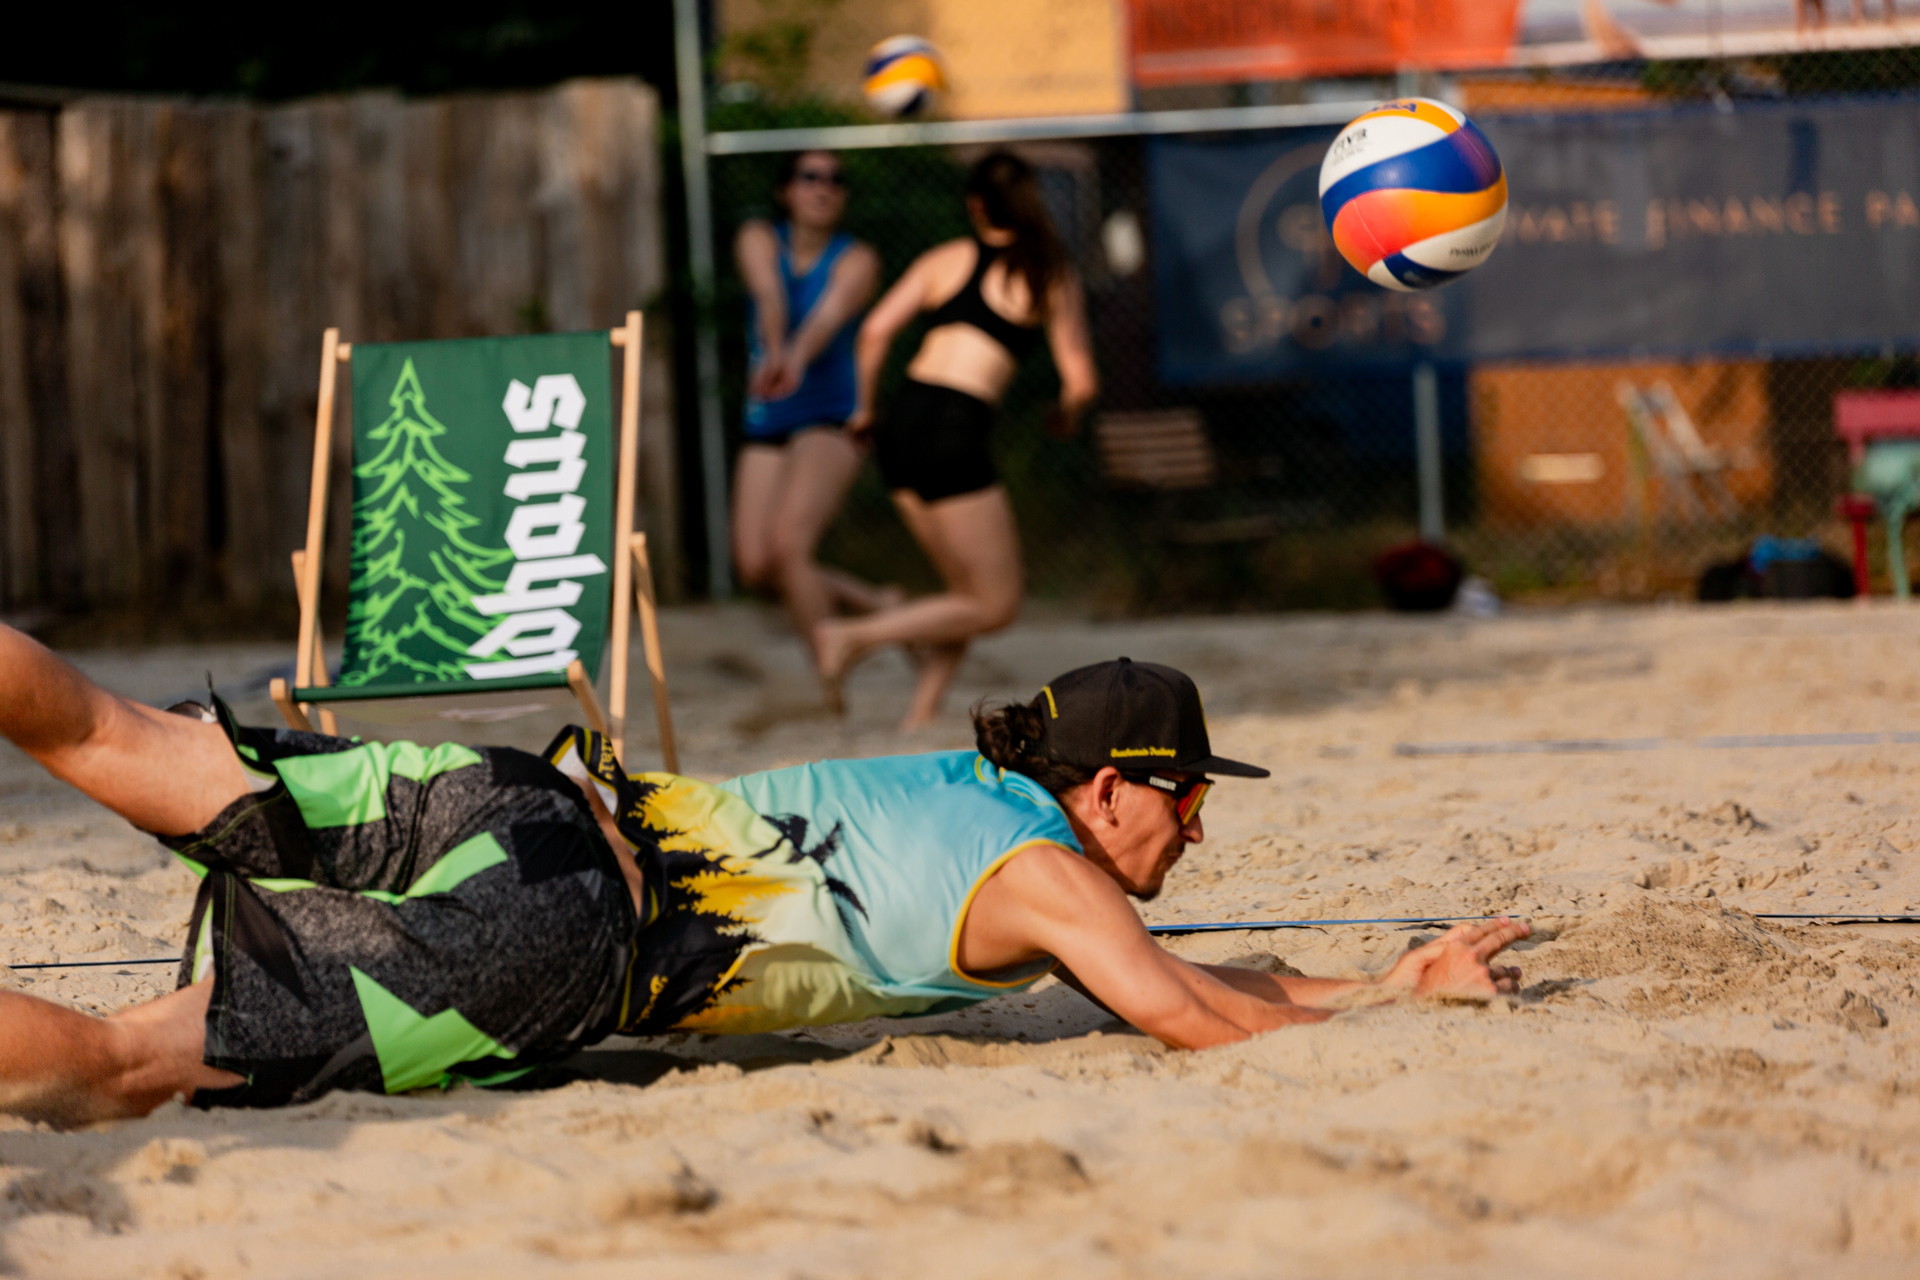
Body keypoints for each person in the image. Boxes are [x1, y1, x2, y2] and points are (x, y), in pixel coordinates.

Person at [0, 626, 1528, 1124]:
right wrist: (1395, 1021)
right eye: (1187, 801)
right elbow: (1184, 1014)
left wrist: (1379, 982)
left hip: (523, 797)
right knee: (125, 1069)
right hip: (560, 936)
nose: (1197, 835)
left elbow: (1195, 980)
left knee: (105, 729)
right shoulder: (1052, 873)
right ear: (1112, 788)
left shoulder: (978, 790)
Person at [817, 151, 1100, 730]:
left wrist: (864, 409)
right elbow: (1081, 381)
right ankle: (851, 635)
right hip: (954, 426)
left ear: (975, 206)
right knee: (995, 604)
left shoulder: (944, 260)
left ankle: (920, 714)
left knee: (964, 593)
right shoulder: (1046, 271)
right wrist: (1066, 412)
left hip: (902, 421)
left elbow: (874, 331)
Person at [731, 150, 893, 677]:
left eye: (835, 180)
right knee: (755, 565)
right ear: (786, 190)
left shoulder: (858, 258)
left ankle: (830, 677)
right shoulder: (758, 237)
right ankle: (879, 605)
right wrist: (775, 353)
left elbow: (829, 317)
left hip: (832, 413)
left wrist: (794, 359)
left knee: (789, 547)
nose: (824, 187)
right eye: (810, 177)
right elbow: (769, 296)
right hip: (770, 412)